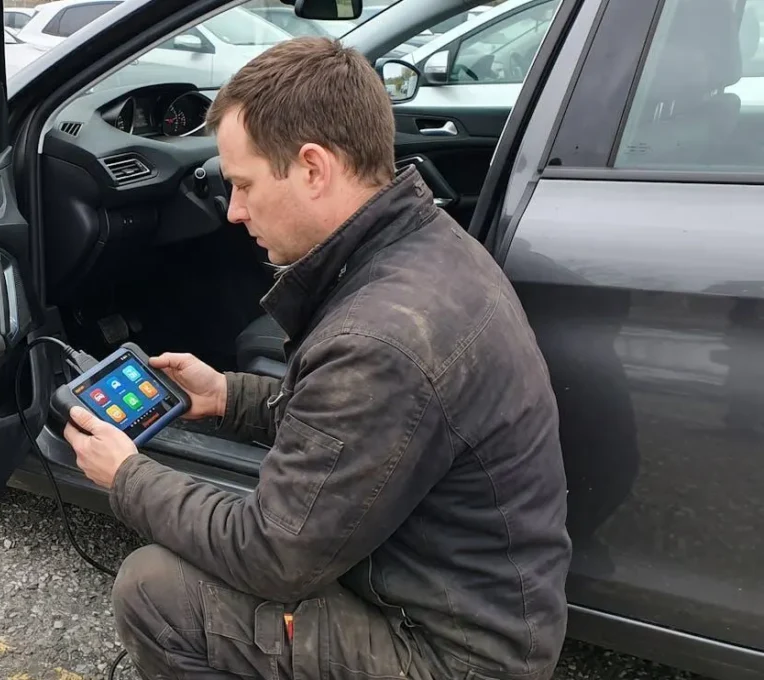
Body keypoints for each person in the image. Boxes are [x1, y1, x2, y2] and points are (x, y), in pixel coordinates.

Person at [61, 36, 572, 680]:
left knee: (155, 590)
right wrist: (227, 395)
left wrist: (128, 476)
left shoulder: (380, 339)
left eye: (243, 184)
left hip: (451, 655)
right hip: (477, 608)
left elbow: (274, 556)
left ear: (312, 167)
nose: (234, 211)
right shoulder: (424, 250)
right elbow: (362, 428)